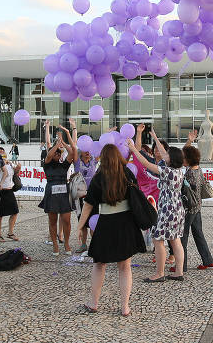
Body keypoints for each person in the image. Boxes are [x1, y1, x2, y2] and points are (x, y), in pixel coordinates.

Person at [78, 144, 146, 316]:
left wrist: (79, 227)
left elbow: (88, 206)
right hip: (126, 223)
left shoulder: (99, 177)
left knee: (99, 264)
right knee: (125, 266)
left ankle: (93, 303)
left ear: (103, 158)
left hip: (106, 223)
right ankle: (125, 307)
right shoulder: (127, 173)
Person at [127, 129, 186, 283]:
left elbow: (146, 163)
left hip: (167, 209)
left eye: (166, 154)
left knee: (158, 239)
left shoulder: (166, 171)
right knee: (175, 240)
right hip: (178, 209)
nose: (162, 154)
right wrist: (155, 137)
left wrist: (133, 149)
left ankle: (159, 273)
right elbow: (164, 153)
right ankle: (179, 272)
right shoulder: (179, 170)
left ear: (171, 159)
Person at [178, 133, 213, 272]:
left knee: (183, 237)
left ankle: (182, 265)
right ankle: (208, 260)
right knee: (199, 234)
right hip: (198, 206)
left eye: (183, 158)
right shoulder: (198, 170)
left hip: (189, 209)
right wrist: (189, 142)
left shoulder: (188, 174)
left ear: (187, 160)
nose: (182, 159)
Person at [40, 119, 76, 256]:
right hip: (51, 191)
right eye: (56, 152)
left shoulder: (64, 165)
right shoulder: (47, 164)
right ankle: (55, 243)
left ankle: (66, 242)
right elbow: (49, 155)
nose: (57, 154)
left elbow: (72, 154)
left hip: (63, 192)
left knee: (66, 219)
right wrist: (56, 145)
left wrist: (63, 144)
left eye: (58, 153)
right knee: (52, 219)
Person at [72, 146, 97, 254]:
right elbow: (73, 147)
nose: (88, 152)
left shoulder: (93, 161)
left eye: (89, 150)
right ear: (80, 152)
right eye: (85, 150)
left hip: (92, 195)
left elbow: (102, 148)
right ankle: (83, 244)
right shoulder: (77, 162)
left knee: (93, 220)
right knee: (82, 221)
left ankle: (95, 244)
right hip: (80, 196)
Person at [0, 147, 21, 242]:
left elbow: (14, 174)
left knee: (15, 211)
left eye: (3, 152)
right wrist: (1, 164)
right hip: (0, 190)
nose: (3, 154)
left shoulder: (9, 163)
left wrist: (17, 169)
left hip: (9, 190)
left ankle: (10, 232)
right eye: (0, 152)